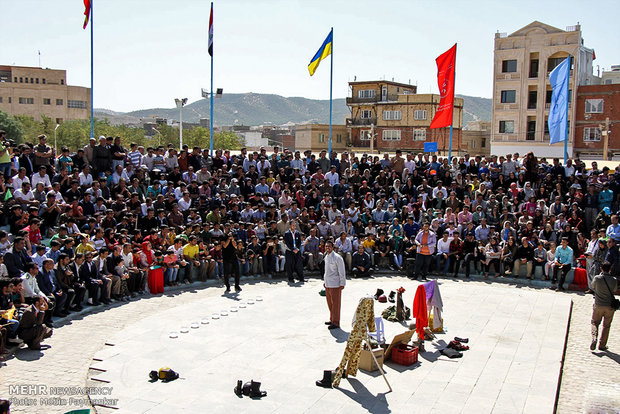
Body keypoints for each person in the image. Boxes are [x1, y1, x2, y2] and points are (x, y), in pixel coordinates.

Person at [590, 261, 617, 352]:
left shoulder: (597, 278)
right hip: (609, 306)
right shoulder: (614, 279)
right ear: (610, 269)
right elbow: (614, 289)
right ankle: (602, 345)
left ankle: (594, 337)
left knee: (594, 322)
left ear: (601, 269)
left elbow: (593, 286)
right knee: (606, 326)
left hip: (598, 305)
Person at [323, 240, 346, 330]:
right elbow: (326, 271)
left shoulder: (337, 258)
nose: (327, 248)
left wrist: (342, 283)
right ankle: (332, 319)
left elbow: (342, 271)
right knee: (330, 303)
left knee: (336, 304)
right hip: (328, 283)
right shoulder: (326, 257)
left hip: (335, 284)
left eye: (329, 246)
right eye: (326, 246)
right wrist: (325, 282)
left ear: (332, 248)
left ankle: (336, 322)